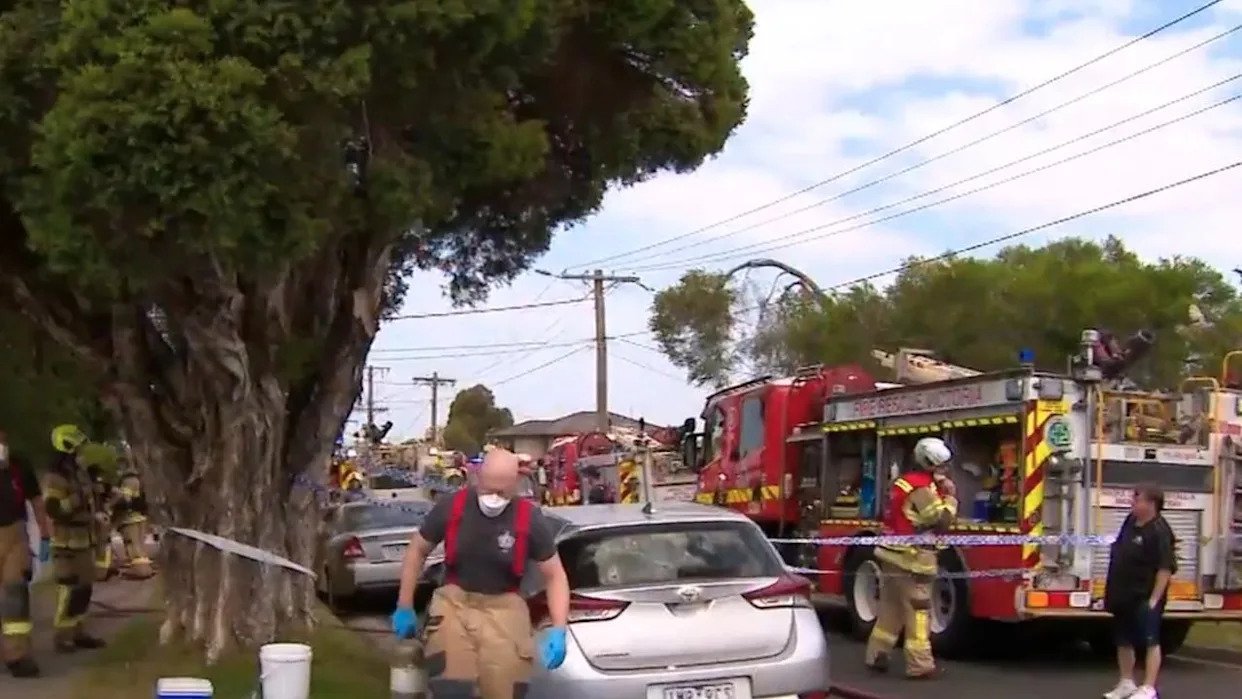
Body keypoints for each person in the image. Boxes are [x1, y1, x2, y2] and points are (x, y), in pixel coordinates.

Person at [392, 447, 571, 699]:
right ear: (478, 478)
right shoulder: (453, 507)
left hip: (505, 609)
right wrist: (405, 604)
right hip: (454, 603)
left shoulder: (529, 519)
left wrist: (559, 628)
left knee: (503, 687)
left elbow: (555, 576)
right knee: (454, 688)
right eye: (488, 490)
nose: (493, 498)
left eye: (501, 492)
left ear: (515, 485)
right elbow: (416, 551)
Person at [864, 436, 958, 680]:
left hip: (891, 556)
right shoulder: (922, 490)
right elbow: (940, 522)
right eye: (941, 466)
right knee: (918, 611)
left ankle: (877, 654)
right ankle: (920, 665)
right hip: (913, 561)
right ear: (930, 464)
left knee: (890, 609)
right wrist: (950, 497)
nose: (945, 470)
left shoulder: (903, 483)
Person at [1102, 483, 1177, 699]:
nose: (1132, 502)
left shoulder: (1160, 531)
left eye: (1137, 499)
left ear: (1151, 504)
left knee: (1150, 641)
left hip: (1144, 596)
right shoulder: (1131, 521)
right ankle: (1126, 682)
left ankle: (1149, 688)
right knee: (1123, 639)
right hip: (1123, 593)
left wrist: (1154, 599)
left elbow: (1165, 568)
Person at [43, 424, 105, 652]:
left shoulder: (79, 472)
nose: (81, 451)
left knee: (84, 589)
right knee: (68, 590)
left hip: (84, 539)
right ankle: (63, 637)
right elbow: (54, 509)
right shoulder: (55, 477)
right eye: (77, 447)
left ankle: (79, 632)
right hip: (65, 542)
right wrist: (78, 499)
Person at [0, 431, 52, 677]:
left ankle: (17, 655)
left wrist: (44, 534)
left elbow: (36, 500)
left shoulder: (19, 464)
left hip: (14, 533)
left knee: (16, 592)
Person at [111, 468, 154, 579]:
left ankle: (141, 571)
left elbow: (125, 499)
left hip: (130, 519)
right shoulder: (138, 480)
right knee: (139, 545)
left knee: (133, 546)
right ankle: (145, 569)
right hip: (140, 518)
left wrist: (110, 504)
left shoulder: (128, 481)